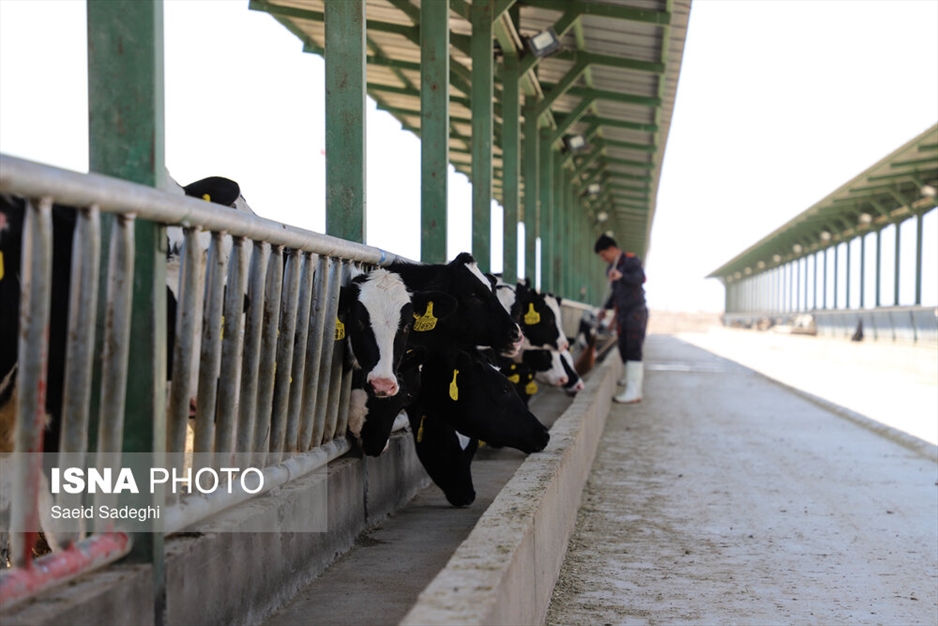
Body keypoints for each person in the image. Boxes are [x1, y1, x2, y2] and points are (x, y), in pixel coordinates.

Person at [594, 234, 648, 403]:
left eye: (604, 255)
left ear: (612, 249)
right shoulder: (611, 268)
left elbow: (641, 278)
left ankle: (634, 391)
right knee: (624, 347)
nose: (603, 259)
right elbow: (615, 293)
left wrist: (622, 276)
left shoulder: (631, 261)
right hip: (623, 313)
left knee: (633, 348)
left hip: (636, 311)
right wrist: (605, 308)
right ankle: (631, 380)